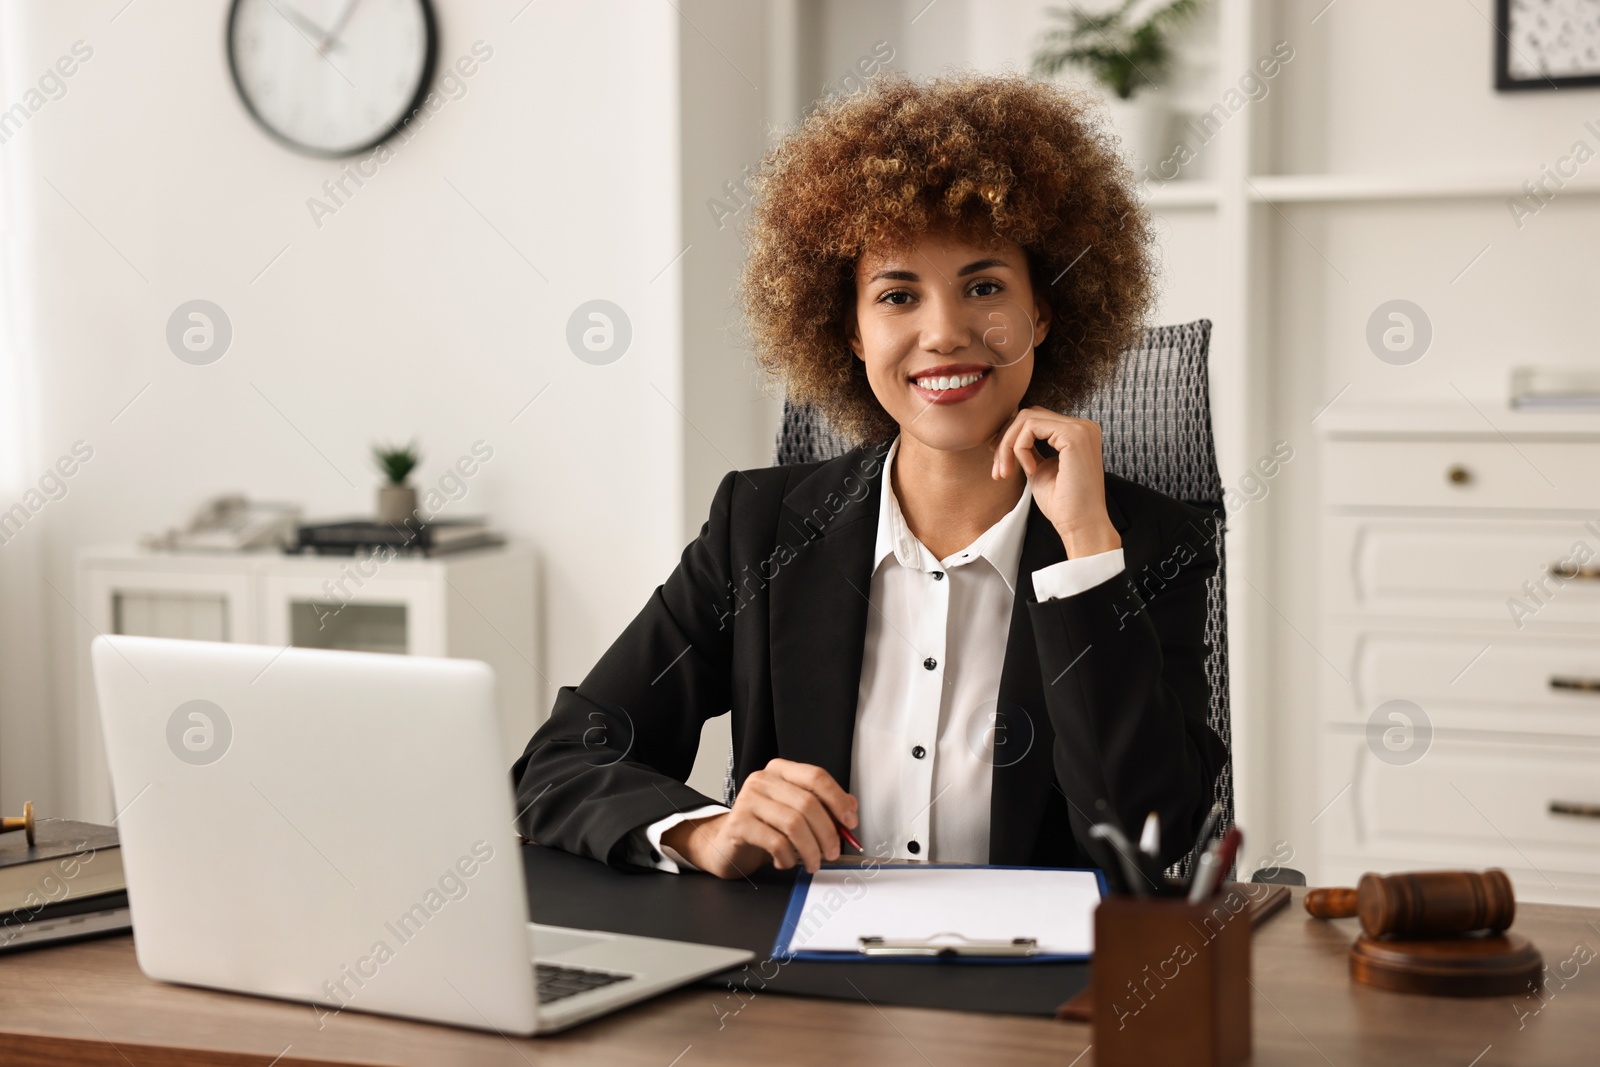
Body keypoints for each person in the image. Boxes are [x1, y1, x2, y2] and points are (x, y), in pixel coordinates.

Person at [511, 70, 1226, 880]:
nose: (945, 332)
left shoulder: (1144, 541)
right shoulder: (759, 528)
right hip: (805, 990)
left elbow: (1154, 837)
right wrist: (705, 831)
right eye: (897, 295)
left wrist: (1087, 554)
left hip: (1040, 996)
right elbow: (561, 763)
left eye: (985, 287)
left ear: (1045, 311)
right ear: (848, 328)